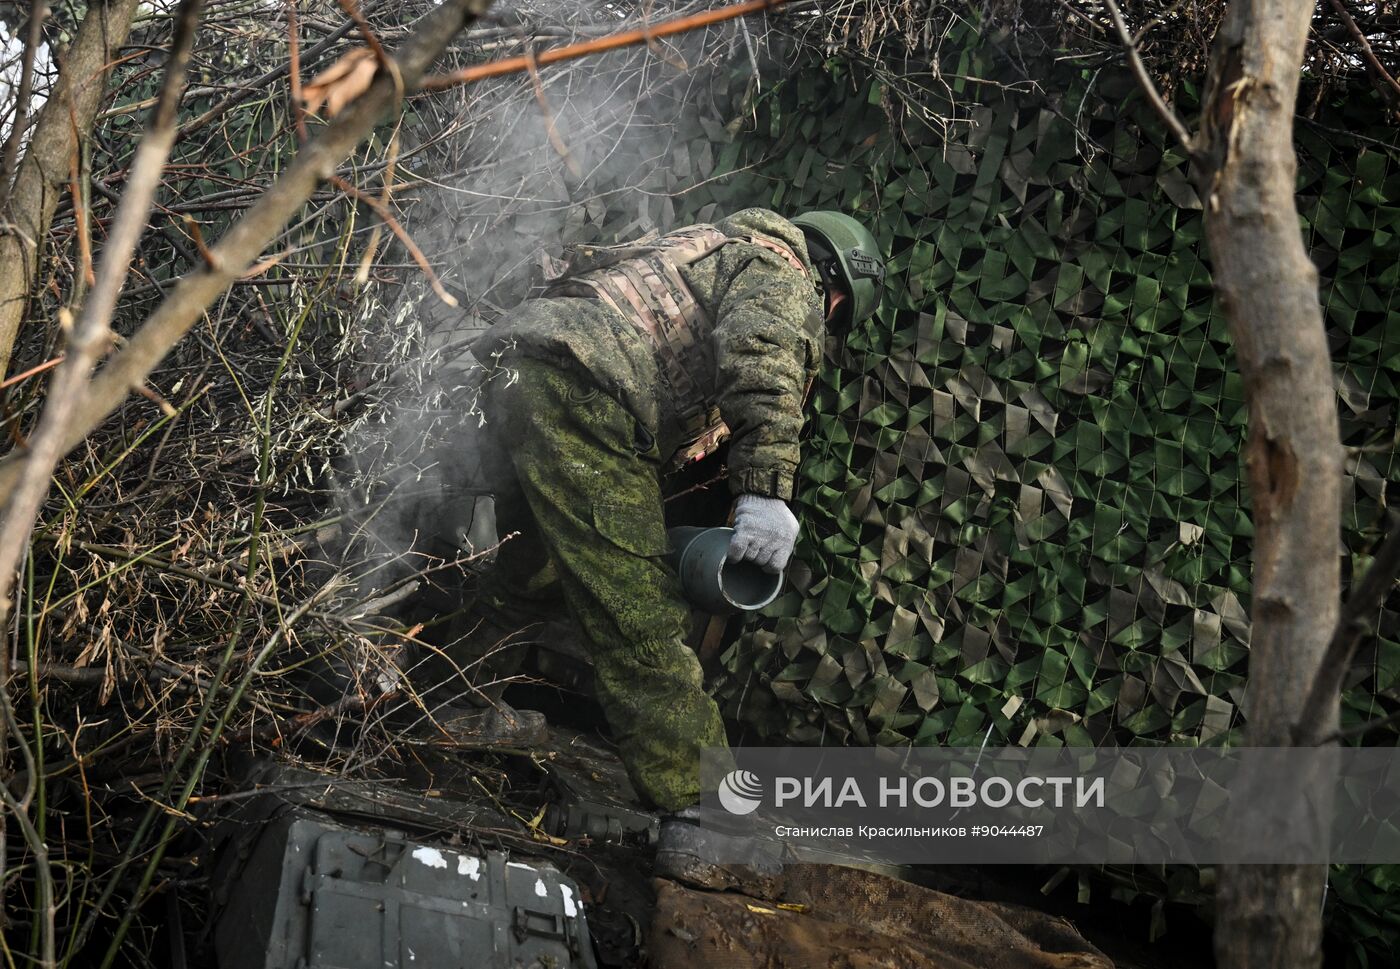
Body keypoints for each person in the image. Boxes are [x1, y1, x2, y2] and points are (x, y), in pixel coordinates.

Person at [432, 207, 884, 883]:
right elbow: (764, 352)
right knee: (639, 616)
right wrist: (765, 489)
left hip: (524, 368)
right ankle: (705, 813)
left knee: (533, 572)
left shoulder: (707, 244)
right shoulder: (785, 273)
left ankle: (445, 699)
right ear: (839, 291)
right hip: (586, 391)